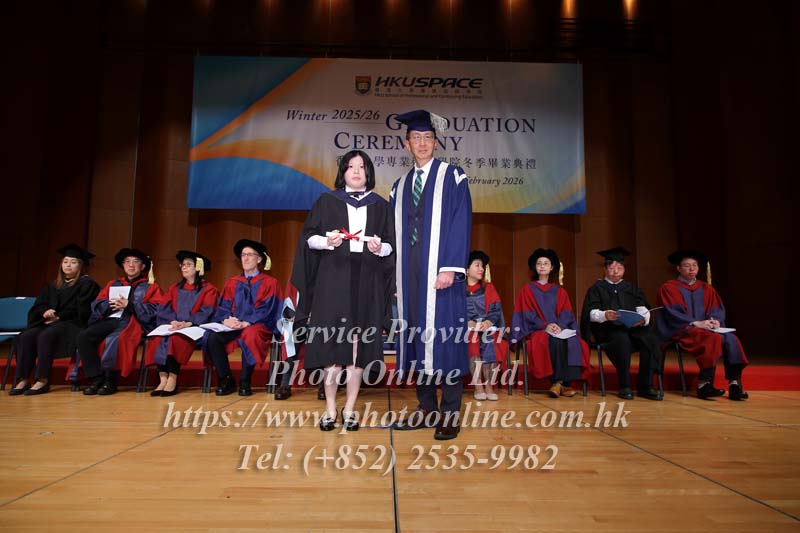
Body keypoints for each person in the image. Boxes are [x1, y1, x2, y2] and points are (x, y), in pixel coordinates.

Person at [289, 150, 395, 431]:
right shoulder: (327, 201)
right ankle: (330, 409)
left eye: (361, 167)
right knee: (333, 345)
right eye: (350, 167)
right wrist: (327, 241)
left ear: (369, 172)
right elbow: (308, 239)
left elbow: (391, 245)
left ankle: (349, 409)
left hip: (367, 281)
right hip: (333, 280)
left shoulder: (380, 206)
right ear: (343, 172)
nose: (356, 171)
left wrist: (379, 248)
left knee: (358, 347)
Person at [389, 109, 472, 440]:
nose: (422, 143)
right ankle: (427, 408)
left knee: (446, 341)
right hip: (409, 280)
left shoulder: (453, 177)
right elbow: (394, 234)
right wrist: (394, 278)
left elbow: (461, 220)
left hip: (442, 277)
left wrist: (449, 267)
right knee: (416, 341)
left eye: (427, 137)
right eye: (416, 137)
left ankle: (450, 412)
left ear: (436, 142)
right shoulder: (399, 186)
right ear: (407, 144)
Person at [656, 249, 748, 400]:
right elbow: (672, 313)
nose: (691, 269)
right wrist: (695, 323)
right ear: (678, 268)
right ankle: (704, 384)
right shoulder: (669, 288)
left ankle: (735, 384)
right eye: (687, 265)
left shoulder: (706, 288)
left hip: (705, 330)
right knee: (713, 338)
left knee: (731, 339)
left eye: (695, 265)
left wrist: (715, 321)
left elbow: (716, 310)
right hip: (682, 330)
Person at [9, 244, 100, 396]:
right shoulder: (52, 285)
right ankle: (23, 379)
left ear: (81, 265)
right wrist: (44, 312)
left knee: (46, 335)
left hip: (72, 325)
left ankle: (42, 380)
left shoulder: (87, 285)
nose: (68, 265)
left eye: (73, 262)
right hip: (50, 323)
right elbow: (39, 305)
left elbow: (83, 310)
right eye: (65, 262)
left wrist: (59, 316)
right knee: (26, 336)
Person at [579, 247, 663, 400]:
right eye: (611, 268)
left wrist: (643, 319)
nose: (615, 271)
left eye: (619, 267)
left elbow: (643, 308)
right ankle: (624, 385)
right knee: (621, 339)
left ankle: (646, 386)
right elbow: (590, 313)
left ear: (624, 269)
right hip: (607, 330)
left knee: (650, 338)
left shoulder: (631, 288)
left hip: (632, 328)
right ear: (605, 269)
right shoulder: (597, 288)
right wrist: (605, 315)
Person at [77, 248, 162, 396]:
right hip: (111, 319)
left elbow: (156, 309)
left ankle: (110, 381)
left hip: (133, 322)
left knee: (115, 338)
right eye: (127, 262)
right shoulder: (113, 284)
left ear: (143, 266)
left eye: (135, 262)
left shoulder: (151, 287)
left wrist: (130, 305)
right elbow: (97, 303)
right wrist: (109, 304)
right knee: (83, 336)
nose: (131, 265)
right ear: (122, 265)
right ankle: (96, 378)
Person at [206, 239, 281, 396]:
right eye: (243, 255)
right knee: (213, 337)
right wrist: (226, 320)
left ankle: (245, 381)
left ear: (259, 259)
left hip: (258, 325)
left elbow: (268, 309)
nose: (245, 258)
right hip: (233, 325)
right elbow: (223, 306)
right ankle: (226, 379)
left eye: (249, 255)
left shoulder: (270, 283)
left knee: (250, 334)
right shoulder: (232, 283)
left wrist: (247, 322)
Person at [511, 248, 589, 397]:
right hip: (536, 330)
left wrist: (559, 326)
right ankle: (557, 382)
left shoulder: (560, 291)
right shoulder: (527, 290)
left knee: (574, 341)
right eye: (539, 263)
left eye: (546, 263)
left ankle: (566, 384)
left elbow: (567, 314)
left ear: (552, 267)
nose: (542, 266)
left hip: (559, 328)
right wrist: (544, 326)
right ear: (535, 267)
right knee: (551, 340)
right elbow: (527, 315)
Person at [144, 250, 219, 397]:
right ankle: (163, 378)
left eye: (188, 264)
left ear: (198, 268)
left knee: (175, 339)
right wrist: (173, 321)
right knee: (157, 338)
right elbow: (163, 308)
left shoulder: (209, 290)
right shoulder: (174, 288)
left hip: (195, 328)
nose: (184, 267)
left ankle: (172, 378)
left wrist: (188, 323)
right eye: (183, 265)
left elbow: (207, 312)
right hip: (174, 325)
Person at [465, 250, 507, 401]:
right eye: (477, 265)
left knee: (491, 340)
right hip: (466, 329)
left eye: (482, 266)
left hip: (487, 326)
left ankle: (489, 385)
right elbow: (453, 312)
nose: (481, 269)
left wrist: (487, 322)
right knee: (472, 340)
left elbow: (496, 310)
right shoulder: (458, 290)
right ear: (467, 269)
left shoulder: (488, 287)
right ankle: (478, 386)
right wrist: (468, 323)